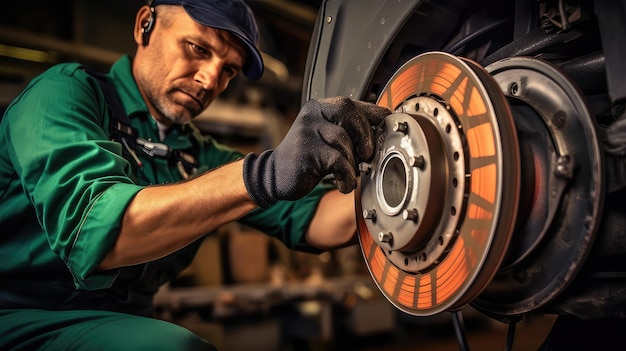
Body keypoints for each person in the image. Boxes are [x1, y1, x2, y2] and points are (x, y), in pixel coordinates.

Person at [0, 0, 390, 350]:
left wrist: (399, 174)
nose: (209, 80)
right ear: (144, 26)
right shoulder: (61, 95)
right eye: (198, 49)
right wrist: (261, 175)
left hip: (117, 326)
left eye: (228, 71)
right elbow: (99, 234)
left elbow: (319, 221)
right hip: (16, 317)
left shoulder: (197, 154)